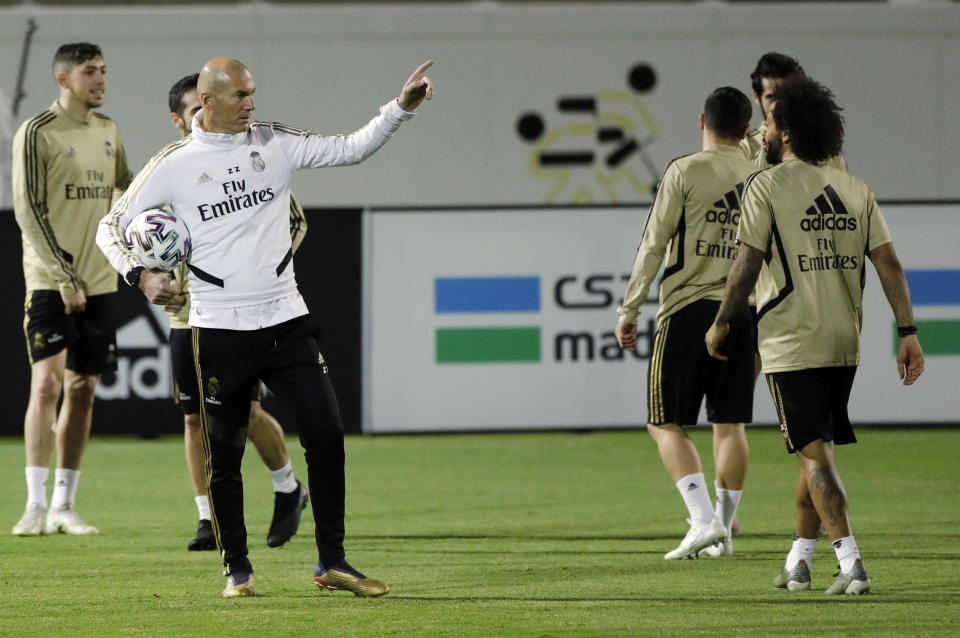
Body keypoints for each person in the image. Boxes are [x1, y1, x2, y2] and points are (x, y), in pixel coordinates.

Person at [97, 57, 434, 597]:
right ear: (207, 101)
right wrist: (141, 276)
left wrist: (400, 110)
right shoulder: (174, 164)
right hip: (217, 328)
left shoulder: (274, 141)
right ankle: (238, 571)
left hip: (285, 319)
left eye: (253, 93)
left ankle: (333, 562)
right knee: (224, 455)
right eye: (241, 96)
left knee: (325, 432)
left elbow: (350, 147)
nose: (252, 103)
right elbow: (109, 227)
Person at [705, 76, 924, 595]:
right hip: (844, 342)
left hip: (791, 340)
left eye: (773, 121)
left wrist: (721, 322)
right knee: (815, 451)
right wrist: (908, 331)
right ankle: (800, 560)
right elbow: (889, 264)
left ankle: (851, 562)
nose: (765, 128)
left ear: (788, 130)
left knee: (815, 457)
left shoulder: (768, 185)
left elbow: (745, 263)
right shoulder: (855, 188)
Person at [165, 73, 309, 552]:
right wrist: (155, 275)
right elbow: (145, 239)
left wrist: (257, 272)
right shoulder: (169, 172)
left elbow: (295, 221)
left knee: (245, 412)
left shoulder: (249, 163)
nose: (200, 119)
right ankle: (207, 518)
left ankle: (287, 487)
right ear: (179, 120)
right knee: (192, 418)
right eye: (191, 114)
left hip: (238, 312)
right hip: (186, 316)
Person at [615, 87, 756, 560]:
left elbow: (654, 243)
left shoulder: (685, 170)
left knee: (664, 422)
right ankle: (726, 530)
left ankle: (702, 521)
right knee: (730, 423)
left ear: (701, 120)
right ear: (746, 128)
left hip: (689, 308)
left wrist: (629, 309)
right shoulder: (761, 172)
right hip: (743, 311)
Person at [11, 42, 133, 536]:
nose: (101, 79)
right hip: (50, 281)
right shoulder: (37, 132)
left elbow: (127, 187)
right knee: (47, 384)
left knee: (83, 388)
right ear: (63, 80)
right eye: (90, 71)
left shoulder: (108, 130)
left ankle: (65, 503)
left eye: (104, 69)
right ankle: (34, 505)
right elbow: (28, 210)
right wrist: (63, 277)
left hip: (101, 281)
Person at [741, 52, 847, 172]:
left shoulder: (824, 146)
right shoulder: (744, 149)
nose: (778, 105)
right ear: (756, 97)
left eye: (786, 96)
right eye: (771, 97)